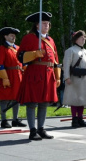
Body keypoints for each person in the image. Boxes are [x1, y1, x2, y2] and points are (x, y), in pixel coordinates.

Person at [16, 12, 61, 140]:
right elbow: (20, 56)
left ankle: (41, 129)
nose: (47, 25)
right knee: (32, 103)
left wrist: (57, 77)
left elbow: (56, 61)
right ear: (37, 25)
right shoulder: (29, 38)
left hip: (48, 75)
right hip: (34, 74)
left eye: (48, 24)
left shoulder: (51, 40)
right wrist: (35, 54)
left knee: (44, 103)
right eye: (44, 23)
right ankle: (32, 130)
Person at [0, 27, 27, 128]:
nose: (13, 36)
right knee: (4, 99)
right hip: (7, 75)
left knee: (16, 98)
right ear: (5, 36)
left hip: (18, 76)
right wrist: (4, 78)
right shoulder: (1, 49)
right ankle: (4, 120)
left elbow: (23, 63)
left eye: (14, 35)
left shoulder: (18, 48)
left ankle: (15, 120)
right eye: (11, 35)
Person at [62, 30, 86, 127]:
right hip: (74, 79)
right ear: (76, 39)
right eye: (81, 37)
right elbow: (66, 65)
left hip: (84, 79)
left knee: (82, 100)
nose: (84, 39)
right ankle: (74, 119)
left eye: (84, 37)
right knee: (74, 100)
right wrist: (66, 77)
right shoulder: (70, 51)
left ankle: (80, 118)